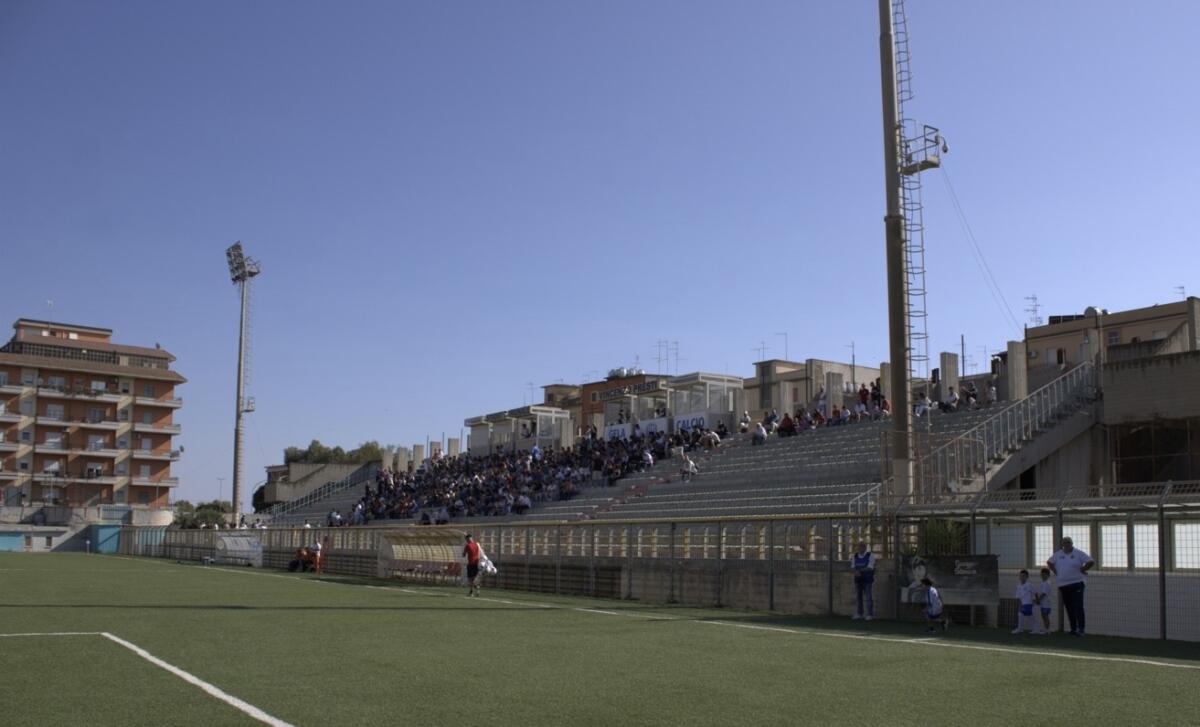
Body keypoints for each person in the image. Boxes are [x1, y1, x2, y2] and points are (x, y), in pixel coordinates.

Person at [1047, 536, 1094, 636]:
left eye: (1068, 543)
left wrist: (1083, 569)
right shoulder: (1058, 554)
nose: (1066, 545)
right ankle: (1073, 629)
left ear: (1071, 543)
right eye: (1064, 543)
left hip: (1077, 583)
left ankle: (1081, 629)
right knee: (1069, 607)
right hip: (1063, 585)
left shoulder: (1078, 553)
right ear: (1062, 545)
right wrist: (1056, 571)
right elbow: (1049, 562)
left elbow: (1091, 561)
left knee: (1078, 607)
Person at [851, 542, 876, 621]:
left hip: (867, 579)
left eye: (862, 546)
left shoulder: (870, 555)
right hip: (858, 580)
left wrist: (860, 571)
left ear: (865, 547)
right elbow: (853, 567)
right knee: (858, 597)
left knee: (868, 597)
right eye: (859, 547)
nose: (860, 548)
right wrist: (856, 572)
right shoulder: (855, 556)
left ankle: (869, 614)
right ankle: (859, 614)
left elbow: (870, 567)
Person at [1013, 569, 1035, 634]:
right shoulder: (1019, 586)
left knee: (1026, 615)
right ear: (1019, 577)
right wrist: (1020, 605)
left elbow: (1034, 593)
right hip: (1023, 604)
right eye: (1021, 576)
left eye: (1024, 576)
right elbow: (1018, 597)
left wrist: (1033, 602)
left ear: (1027, 577)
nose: (1022, 577)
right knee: (1024, 615)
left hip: (1028, 603)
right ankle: (1035, 629)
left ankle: (1021, 629)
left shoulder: (1029, 585)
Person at [1035, 568, 1053, 634]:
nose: (1043, 576)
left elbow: (1044, 594)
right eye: (1042, 575)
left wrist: (1038, 600)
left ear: (1048, 575)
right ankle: (1045, 628)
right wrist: (1038, 599)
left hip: (1046, 603)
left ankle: (1047, 630)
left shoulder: (1047, 583)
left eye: (1045, 575)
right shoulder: (1043, 583)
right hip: (1043, 602)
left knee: (1045, 615)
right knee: (1043, 615)